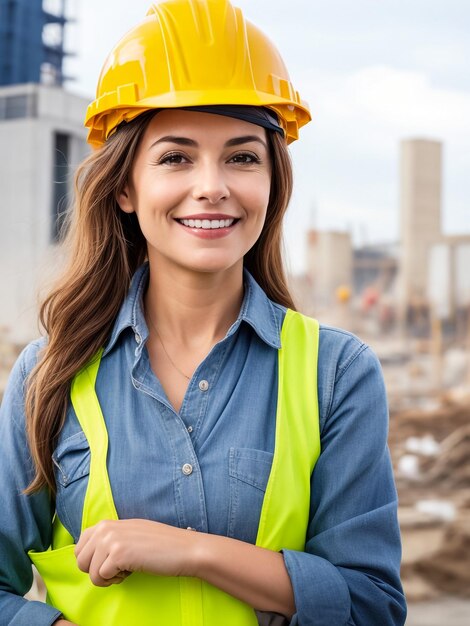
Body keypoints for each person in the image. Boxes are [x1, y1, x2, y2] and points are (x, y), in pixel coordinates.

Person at [0, 1, 406, 624]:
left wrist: (192, 551)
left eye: (242, 157)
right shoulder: (46, 375)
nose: (212, 184)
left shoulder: (336, 373)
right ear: (126, 188)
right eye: (176, 157)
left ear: (272, 184)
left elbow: (371, 606)